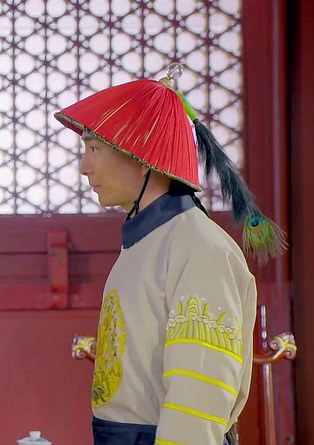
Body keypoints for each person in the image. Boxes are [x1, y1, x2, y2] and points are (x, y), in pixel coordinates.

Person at [54, 64, 286, 445]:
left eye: (94, 148)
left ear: (142, 155)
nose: (84, 167)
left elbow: (197, 401)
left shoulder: (200, 249)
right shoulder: (147, 241)